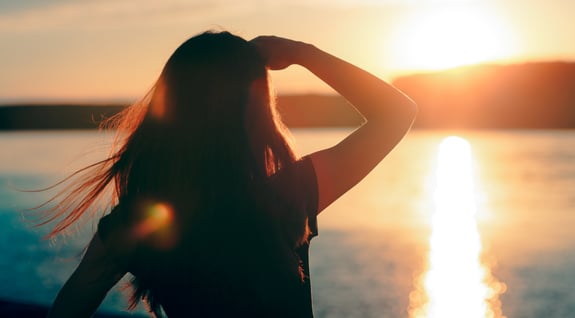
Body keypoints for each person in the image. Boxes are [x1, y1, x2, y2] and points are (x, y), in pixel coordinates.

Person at [42, 31, 417, 317]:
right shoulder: (286, 199)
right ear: (255, 116)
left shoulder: (133, 226)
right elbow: (397, 113)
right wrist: (302, 53)